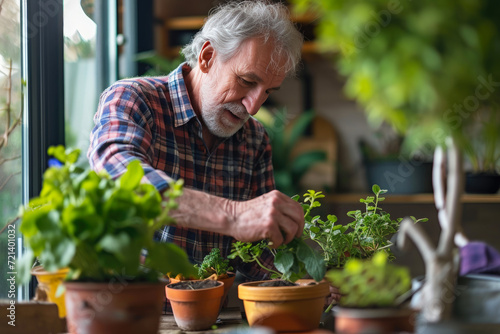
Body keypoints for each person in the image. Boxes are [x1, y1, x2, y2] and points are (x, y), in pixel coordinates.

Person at [88, 1, 303, 280]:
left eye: (267, 92)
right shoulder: (134, 99)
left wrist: (311, 282)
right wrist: (233, 215)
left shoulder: (254, 139)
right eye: (247, 82)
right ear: (207, 57)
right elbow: (118, 180)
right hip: (128, 313)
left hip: (211, 320)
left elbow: (259, 258)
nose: (253, 108)